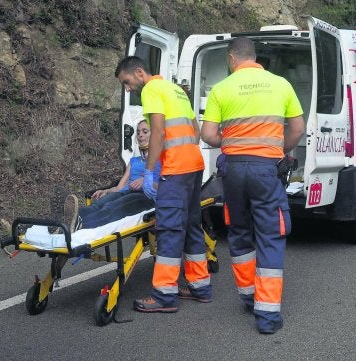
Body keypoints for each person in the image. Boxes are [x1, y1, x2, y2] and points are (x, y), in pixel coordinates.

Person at [200, 37, 305, 334]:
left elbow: (208, 135)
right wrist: (276, 148)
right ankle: (267, 315)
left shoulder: (222, 88)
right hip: (265, 170)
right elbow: (298, 128)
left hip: (233, 170)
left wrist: (233, 141)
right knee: (270, 235)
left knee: (240, 231)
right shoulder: (281, 84)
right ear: (253, 57)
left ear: (233, 59)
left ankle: (248, 297)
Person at [115, 56, 212, 313]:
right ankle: (199, 286)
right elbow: (195, 128)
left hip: (176, 170)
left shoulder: (152, 90)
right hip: (194, 165)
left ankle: (165, 295)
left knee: (168, 228)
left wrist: (149, 172)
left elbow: (157, 132)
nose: (127, 89)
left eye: (126, 82)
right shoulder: (175, 89)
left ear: (139, 73)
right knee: (192, 225)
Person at [62, 120, 160, 231]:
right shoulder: (134, 161)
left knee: (110, 208)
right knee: (96, 206)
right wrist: (107, 191)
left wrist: (146, 180)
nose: (140, 135)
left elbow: (166, 187)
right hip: (125, 192)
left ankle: (79, 225)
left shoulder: (161, 159)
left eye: (145, 131)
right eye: (138, 132)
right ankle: (61, 220)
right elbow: (119, 187)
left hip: (145, 196)